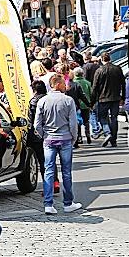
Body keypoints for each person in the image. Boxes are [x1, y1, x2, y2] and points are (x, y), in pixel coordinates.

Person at [34, 74, 82, 215]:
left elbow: (37, 124)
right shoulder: (68, 100)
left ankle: (48, 204)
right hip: (65, 138)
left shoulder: (42, 101)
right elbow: (73, 123)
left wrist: (44, 135)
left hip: (49, 139)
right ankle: (68, 203)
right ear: (59, 84)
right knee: (66, 172)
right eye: (63, 83)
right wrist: (74, 137)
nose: (65, 85)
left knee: (48, 171)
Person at [91, 52, 126, 147]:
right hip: (115, 98)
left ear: (102, 60)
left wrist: (92, 101)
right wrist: (123, 97)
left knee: (102, 117)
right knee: (114, 118)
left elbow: (95, 87)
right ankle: (113, 139)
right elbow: (123, 83)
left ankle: (108, 132)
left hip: (103, 98)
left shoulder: (99, 70)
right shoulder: (117, 69)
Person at [27, 80, 47, 179]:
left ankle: (47, 182)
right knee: (49, 159)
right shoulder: (49, 99)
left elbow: (31, 121)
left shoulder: (33, 101)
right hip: (50, 132)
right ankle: (54, 181)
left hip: (37, 134)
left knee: (41, 159)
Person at [72, 67, 92, 146]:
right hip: (86, 105)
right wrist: (90, 103)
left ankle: (79, 136)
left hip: (77, 105)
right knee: (86, 121)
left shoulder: (74, 83)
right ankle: (88, 135)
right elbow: (90, 94)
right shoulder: (87, 83)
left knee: (78, 122)